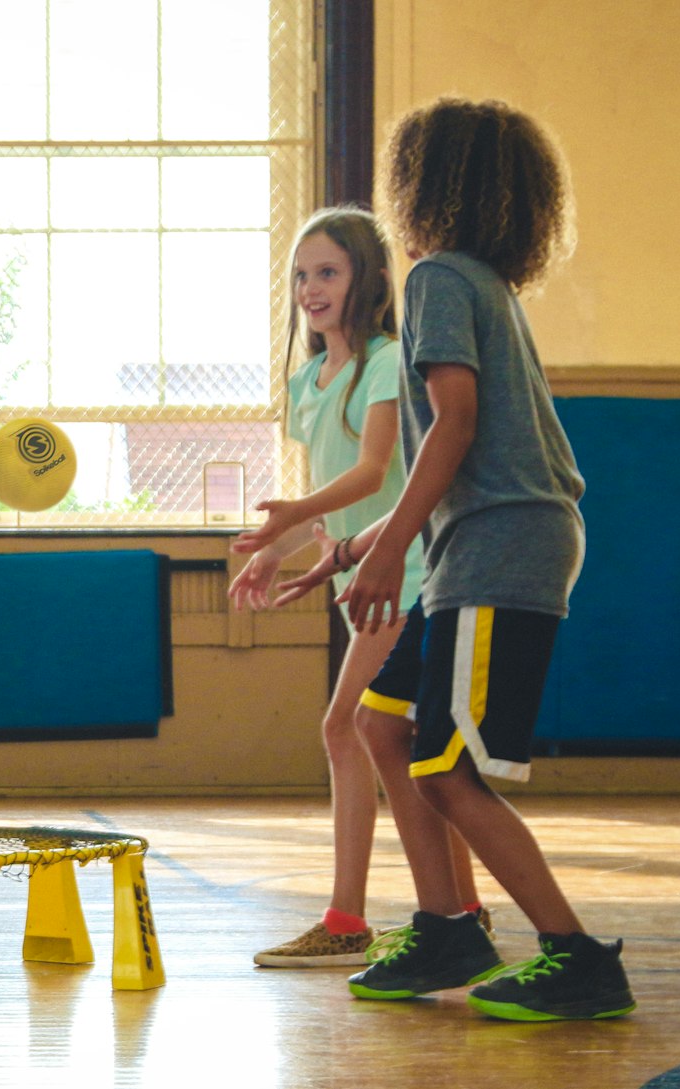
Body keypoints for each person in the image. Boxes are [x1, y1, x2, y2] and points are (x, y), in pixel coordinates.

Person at [274, 98, 635, 1021]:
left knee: (443, 769)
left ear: (423, 185)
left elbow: (459, 426)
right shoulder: (479, 282)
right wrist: (354, 545)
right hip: (476, 545)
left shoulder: (437, 277)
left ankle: (577, 954)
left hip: (502, 548)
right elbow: (457, 448)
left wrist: (389, 550)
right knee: (380, 726)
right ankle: (448, 924)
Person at [231, 207, 491, 968]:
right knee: (397, 746)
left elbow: (376, 471)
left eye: (329, 272)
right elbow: (323, 490)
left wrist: (300, 521)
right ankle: (463, 910)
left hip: (407, 573)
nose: (312, 288)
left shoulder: (387, 360)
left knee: (345, 727)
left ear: (367, 279)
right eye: (302, 275)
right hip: (360, 579)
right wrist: (275, 550)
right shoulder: (309, 378)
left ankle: (352, 918)